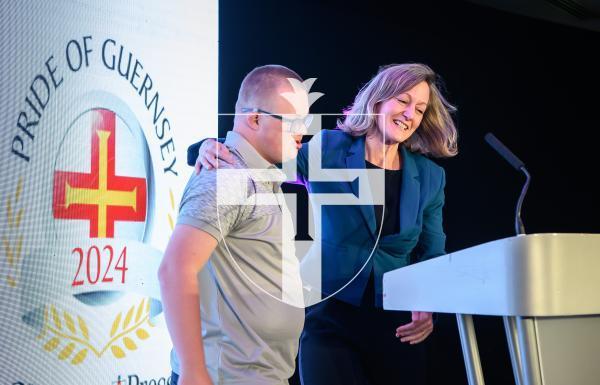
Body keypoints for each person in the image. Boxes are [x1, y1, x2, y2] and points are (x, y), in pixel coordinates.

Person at [195, 63, 458, 384]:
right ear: (378, 100)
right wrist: (211, 144)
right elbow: (262, 155)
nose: (410, 114)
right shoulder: (329, 149)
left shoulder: (431, 176)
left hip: (398, 327)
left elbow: (433, 251)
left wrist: (426, 301)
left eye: (419, 109)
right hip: (329, 320)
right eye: (403, 101)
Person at [158, 64, 313, 385]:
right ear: (255, 118)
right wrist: (193, 370)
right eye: (294, 122)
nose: (303, 132)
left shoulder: (262, 173)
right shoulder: (226, 176)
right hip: (224, 376)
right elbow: (174, 270)